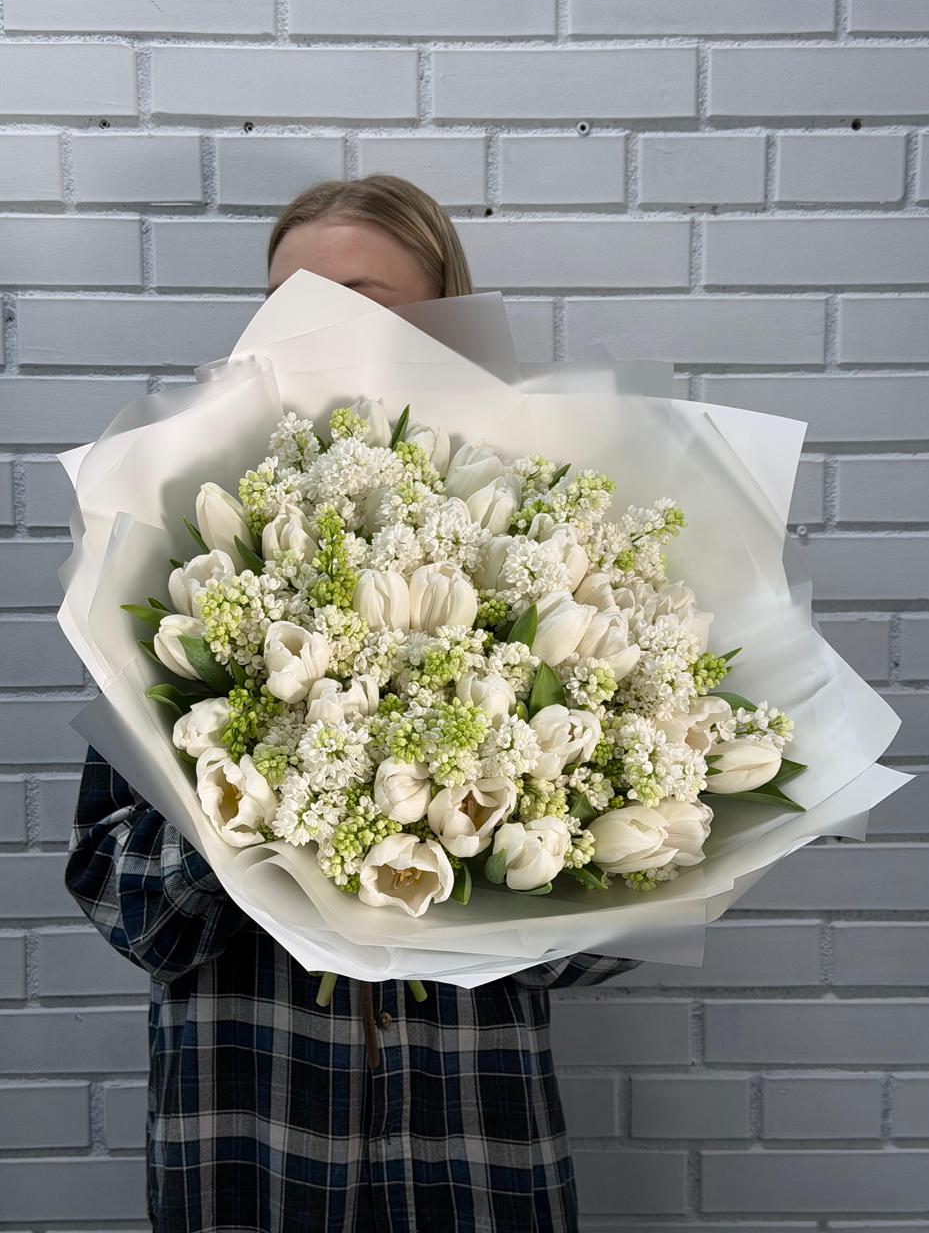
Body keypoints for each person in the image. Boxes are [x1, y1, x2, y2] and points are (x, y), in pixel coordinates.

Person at [66, 174, 641, 1233]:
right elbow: (119, 897)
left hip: (475, 1151)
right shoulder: (185, 553)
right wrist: (256, 800)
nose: (312, 337)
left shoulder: (554, 547)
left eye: (358, 306)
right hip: (246, 1143)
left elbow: (607, 938)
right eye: (284, 308)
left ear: (445, 320)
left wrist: (519, 812)